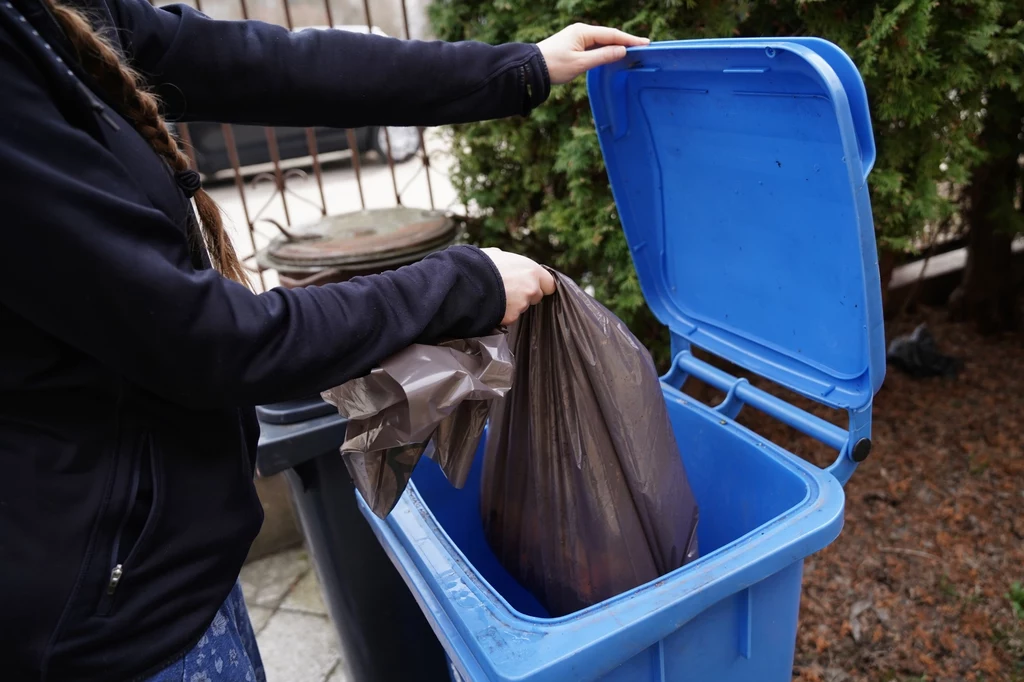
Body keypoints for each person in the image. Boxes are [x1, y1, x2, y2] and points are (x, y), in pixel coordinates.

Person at [0, 0, 647, 679]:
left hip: (157, 564)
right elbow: (211, 340)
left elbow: (264, 62)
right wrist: (463, 283)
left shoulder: (50, 13)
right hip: (94, 614)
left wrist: (520, 67)